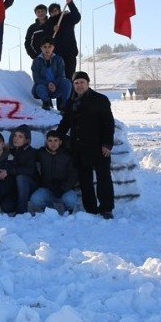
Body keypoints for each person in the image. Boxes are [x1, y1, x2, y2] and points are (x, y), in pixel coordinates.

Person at [57, 71, 115, 219]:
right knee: (85, 180)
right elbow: (65, 123)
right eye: (76, 83)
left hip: (98, 147)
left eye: (82, 82)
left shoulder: (100, 100)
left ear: (88, 83)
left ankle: (106, 209)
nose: (79, 85)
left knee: (103, 178)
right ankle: (90, 208)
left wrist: (107, 144)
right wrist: (56, 137)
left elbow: (108, 124)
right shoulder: (71, 102)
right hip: (79, 148)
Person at [30, 130, 80, 213]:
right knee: (35, 200)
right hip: (47, 189)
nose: (53, 144)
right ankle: (49, 211)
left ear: (60, 142)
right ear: (46, 142)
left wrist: (63, 188)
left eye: (55, 140)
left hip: (64, 190)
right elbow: (27, 153)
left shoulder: (68, 155)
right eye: (50, 141)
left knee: (71, 200)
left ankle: (69, 213)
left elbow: (74, 175)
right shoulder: (41, 153)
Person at [31, 38, 73, 111]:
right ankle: (46, 103)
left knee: (67, 82)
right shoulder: (36, 61)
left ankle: (65, 106)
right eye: (45, 46)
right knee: (39, 87)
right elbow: (36, 78)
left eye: (49, 46)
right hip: (43, 89)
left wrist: (54, 84)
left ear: (53, 47)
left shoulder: (58, 59)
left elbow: (62, 75)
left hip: (55, 88)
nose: (47, 49)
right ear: (41, 48)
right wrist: (48, 84)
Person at [46, 0, 81, 81]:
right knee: (58, 77)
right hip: (56, 55)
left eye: (55, 11)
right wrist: (52, 31)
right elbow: (46, 39)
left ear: (59, 10)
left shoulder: (67, 18)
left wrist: (70, 3)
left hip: (70, 53)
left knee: (70, 77)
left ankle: (70, 94)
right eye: (51, 12)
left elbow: (77, 17)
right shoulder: (49, 23)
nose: (54, 13)